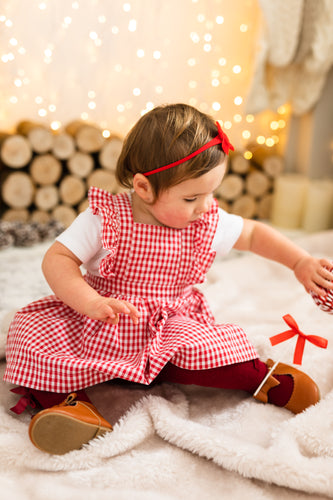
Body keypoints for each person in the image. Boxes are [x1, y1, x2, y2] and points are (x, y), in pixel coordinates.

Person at [4, 104, 333, 455]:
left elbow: (252, 235)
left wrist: (299, 261)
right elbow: (59, 259)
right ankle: (71, 408)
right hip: (103, 320)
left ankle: (261, 377)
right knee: (29, 334)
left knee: (208, 350)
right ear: (144, 187)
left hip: (170, 325)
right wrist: (89, 301)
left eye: (211, 194)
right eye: (192, 197)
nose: (206, 206)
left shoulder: (203, 221)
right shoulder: (107, 219)